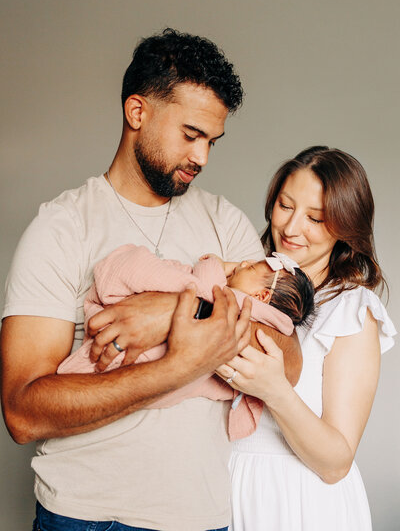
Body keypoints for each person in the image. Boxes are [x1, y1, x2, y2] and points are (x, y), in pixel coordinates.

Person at [0, 29, 301, 531]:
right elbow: (23, 413)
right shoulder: (63, 226)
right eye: (191, 135)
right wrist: (182, 363)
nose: (202, 158)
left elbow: (285, 364)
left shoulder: (224, 222)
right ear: (137, 112)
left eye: (212, 141)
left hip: (201, 517)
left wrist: (170, 312)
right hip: (84, 517)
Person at [216, 146, 397, 531]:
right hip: (222, 491)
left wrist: (274, 389)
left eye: (315, 218)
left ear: (345, 227)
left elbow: (336, 463)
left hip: (300, 502)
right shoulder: (243, 279)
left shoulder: (350, 311)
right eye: (285, 206)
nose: (292, 228)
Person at [57, 246, 314, 440]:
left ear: (262, 295)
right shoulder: (267, 318)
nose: (243, 263)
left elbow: (204, 285)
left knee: (139, 265)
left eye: (251, 268)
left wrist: (215, 263)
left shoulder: (238, 303)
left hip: (165, 363)